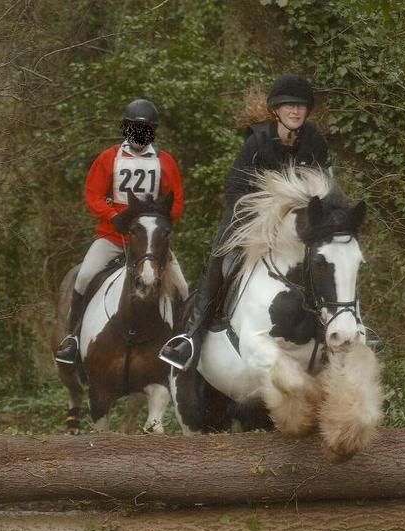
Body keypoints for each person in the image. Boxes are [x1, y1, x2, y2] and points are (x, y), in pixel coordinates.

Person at [159, 74, 331, 370]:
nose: (295, 111)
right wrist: (266, 213)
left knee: (338, 256)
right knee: (221, 259)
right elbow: (234, 188)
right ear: (276, 110)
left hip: (302, 224)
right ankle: (192, 336)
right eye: (289, 105)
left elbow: (325, 184)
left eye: (301, 106)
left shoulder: (315, 141)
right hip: (254, 219)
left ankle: (350, 329)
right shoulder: (257, 141)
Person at [55, 98, 185, 364]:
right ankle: (73, 338)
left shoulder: (165, 161)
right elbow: (93, 195)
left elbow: (177, 200)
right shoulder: (108, 158)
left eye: (145, 129)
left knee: (182, 286)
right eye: (135, 129)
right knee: (84, 277)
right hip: (113, 238)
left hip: (149, 242)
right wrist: (113, 216)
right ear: (126, 130)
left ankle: (181, 343)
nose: (140, 135)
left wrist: (158, 224)